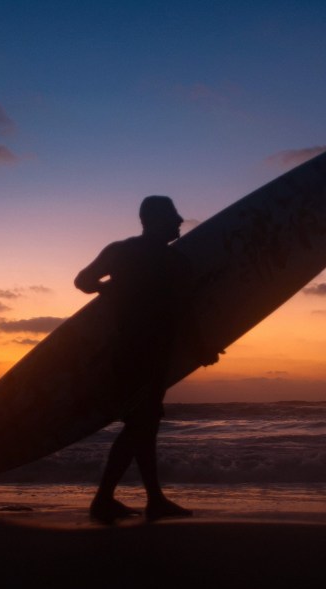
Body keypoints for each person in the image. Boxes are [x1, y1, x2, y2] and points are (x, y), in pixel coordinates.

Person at [74, 196, 218, 524]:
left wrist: (109, 290)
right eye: (173, 216)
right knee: (141, 426)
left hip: (122, 352)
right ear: (155, 220)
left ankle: (152, 499)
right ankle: (105, 499)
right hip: (151, 356)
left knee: (144, 425)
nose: (181, 220)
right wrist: (201, 349)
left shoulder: (119, 252)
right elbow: (185, 314)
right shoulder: (175, 263)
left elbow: (82, 281)